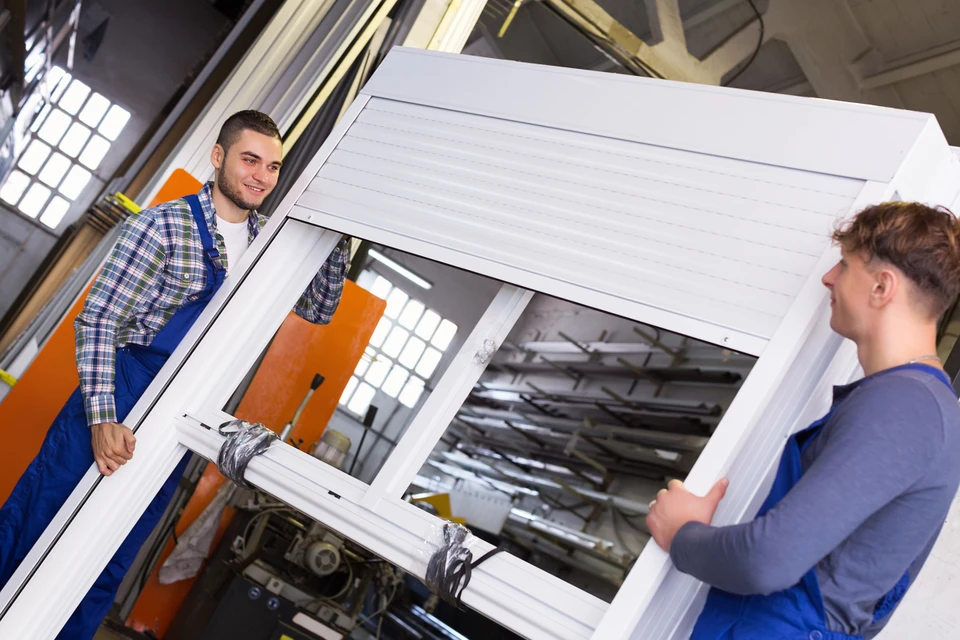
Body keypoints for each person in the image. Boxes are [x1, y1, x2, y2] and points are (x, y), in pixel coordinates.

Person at [0, 110, 350, 639]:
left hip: (183, 419)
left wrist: (340, 224)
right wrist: (102, 417)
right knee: (34, 525)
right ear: (218, 157)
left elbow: (321, 308)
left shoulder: (268, 250)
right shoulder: (163, 226)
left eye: (273, 167)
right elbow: (98, 320)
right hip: (122, 393)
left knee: (107, 558)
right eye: (249, 159)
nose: (261, 175)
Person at [647, 201, 960, 639]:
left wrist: (682, 533)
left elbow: (767, 559)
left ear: (881, 287)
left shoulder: (907, 406)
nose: (828, 278)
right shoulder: (922, 405)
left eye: (844, 265)